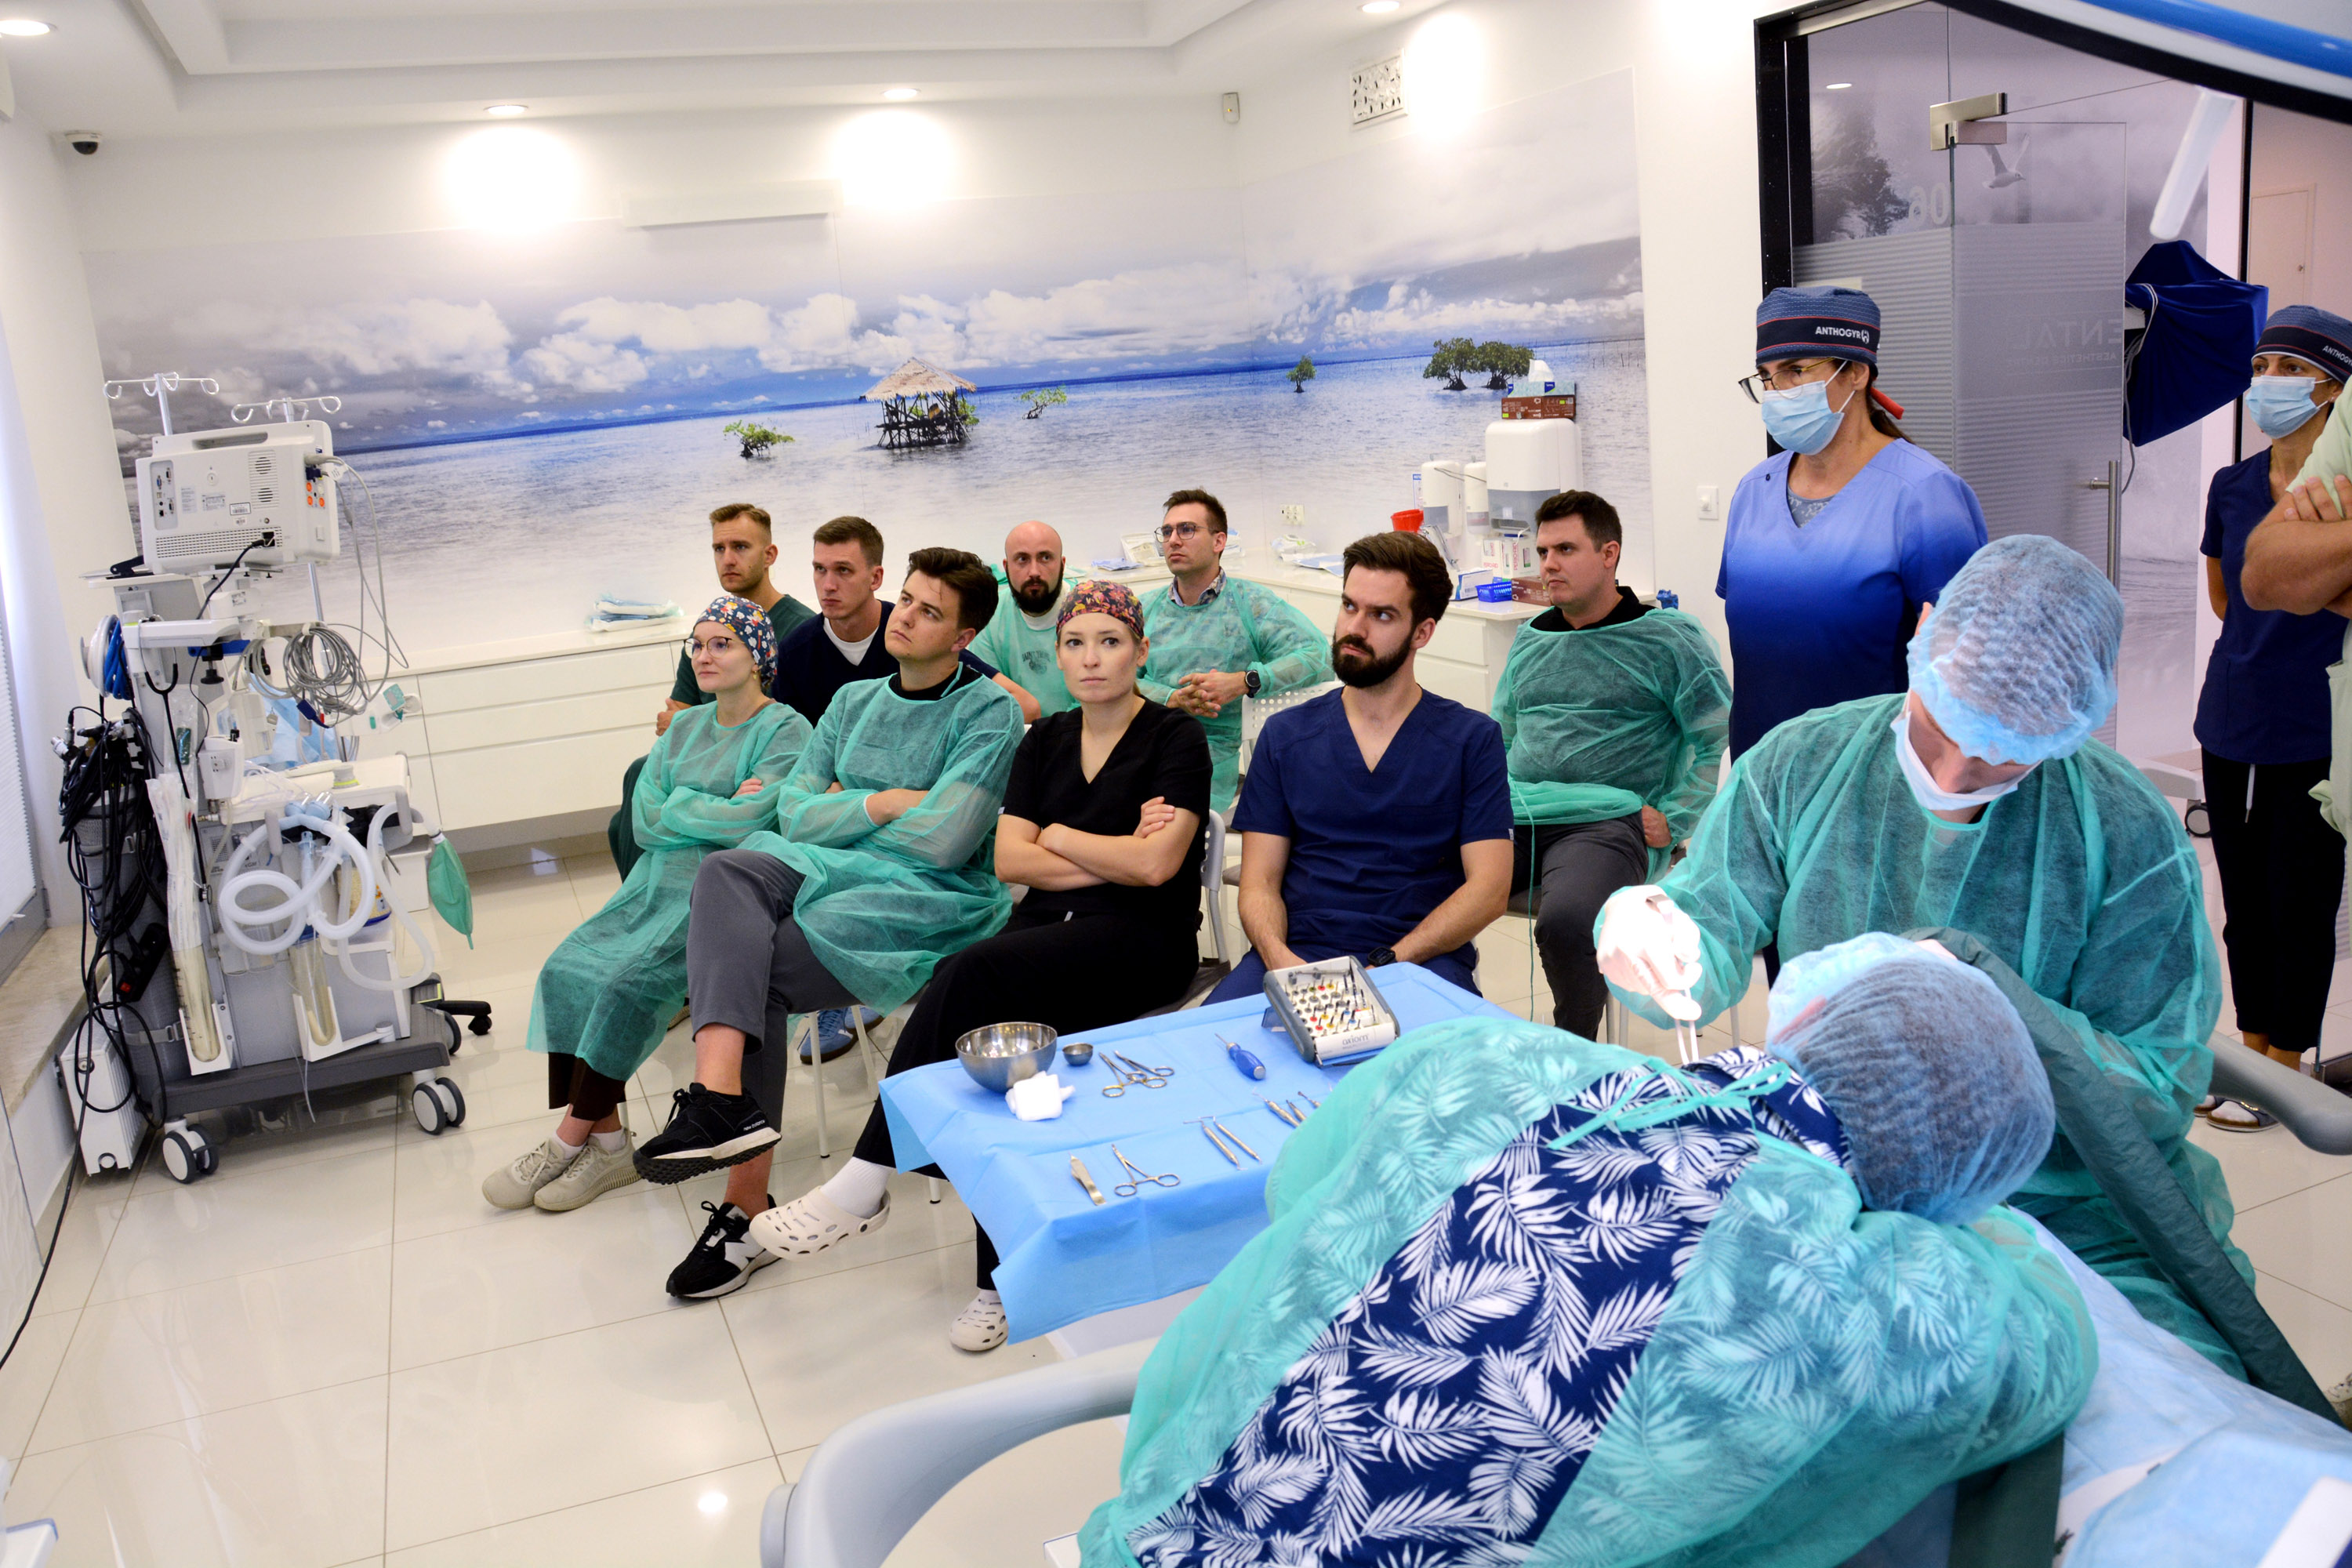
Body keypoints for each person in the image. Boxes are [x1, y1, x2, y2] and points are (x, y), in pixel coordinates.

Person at [1080, 933, 2092, 1566]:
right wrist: (1976, 1223)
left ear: (1814, 1015)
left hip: (1153, 1540)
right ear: (1939, 1196)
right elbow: (2048, 1346)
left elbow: (1300, 1194)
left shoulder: (1486, 1054)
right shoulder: (1866, 1304)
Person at [1596, 533, 2249, 1374]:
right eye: (1939, 728)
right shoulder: (1801, 764)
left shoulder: (2124, 830)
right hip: (1834, 1173)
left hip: (2067, 1211)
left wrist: (1998, 1022)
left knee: (2156, 1385)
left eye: (1998, 755)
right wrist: (1655, 926)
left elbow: (2158, 1084)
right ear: (1925, 630)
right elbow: (1708, 920)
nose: (1953, 773)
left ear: (2067, 730)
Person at [748, 580, 1212, 1352]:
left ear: (1141, 650)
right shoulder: (1045, 738)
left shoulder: (1175, 737)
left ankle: (865, 1181)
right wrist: (1109, 852)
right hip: (1045, 937)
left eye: (1110, 642)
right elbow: (1008, 859)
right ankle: (1000, 1283)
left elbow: (1158, 867)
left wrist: (1058, 836)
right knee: (1003, 1049)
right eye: (1075, 643)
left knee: (971, 974)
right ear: (1058, 653)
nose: (1091, 658)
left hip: (1144, 942)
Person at [630, 548, 1024, 1301]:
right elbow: (792, 812)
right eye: (907, 600)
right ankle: (719, 1097)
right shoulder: (852, 701)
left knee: (750, 972)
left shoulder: (987, 712)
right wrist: (890, 802)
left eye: (930, 612)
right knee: (727, 870)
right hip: (825, 871)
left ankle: (744, 1209)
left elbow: (945, 842)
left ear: (963, 637)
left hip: (924, 903)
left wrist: (846, 806)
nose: (905, 618)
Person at [488, 595, 811, 1214]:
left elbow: (753, 821)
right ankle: (609, 1142)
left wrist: (684, 805)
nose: (704, 656)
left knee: (625, 985)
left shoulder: (786, 731)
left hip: (720, 895)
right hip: (651, 884)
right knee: (567, 969)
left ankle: (568, 1139)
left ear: (758, 657)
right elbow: (646, 818)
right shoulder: (684, 728)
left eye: (722, 644)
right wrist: (714, 806)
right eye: (698, 644)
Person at [1207, 531, 1511, 1004]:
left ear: (1423, 632)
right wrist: (1281, 960)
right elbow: (1259, 882)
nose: (1355, 629)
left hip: (1420, 959)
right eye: (1349, 606)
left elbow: (1489, 890)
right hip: (1297, 954)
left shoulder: (1471, 741)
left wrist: (1392, 961)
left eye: (1381, 615)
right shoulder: (1286, 737)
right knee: (1207, 1044)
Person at [2192, 307, 2352, 1130]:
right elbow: (2228, 598)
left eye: (2290, 369)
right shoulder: (2233, 485)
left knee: (2302, 903)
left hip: (2317, 725)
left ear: (2333, 388)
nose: (2268, 383)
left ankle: (2289, 1064)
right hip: (2232, 716)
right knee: (2244, 903)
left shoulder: (2341, 497)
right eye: (2261, 366)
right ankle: (2251, 1052)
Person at [1494, 488, 1730, 1036]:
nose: (1549, 564)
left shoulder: (1666, 640)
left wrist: (1678, 817)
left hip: (1608, 823)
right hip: (1520, 811)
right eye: (1543, 552)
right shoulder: (1530, 639)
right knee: (1417, 881)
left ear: (1609, 554)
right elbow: (1499, 734)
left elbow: (1715, 734)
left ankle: (1575, 1054)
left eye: (1565, 550)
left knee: (1568, 920)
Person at [1718, 285, 1988, 757]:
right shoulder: (1754, 490)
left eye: (1796, 370)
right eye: (1766, 377)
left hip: (1870, 775)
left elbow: (1967, 665)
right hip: (1760, 769)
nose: (1776, 393)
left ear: (1857, 373)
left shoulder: (1924, 496)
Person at [608, 503, 815, 878]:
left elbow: (795, 733)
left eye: (740, 547)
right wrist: (712, 796)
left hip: (757, 770)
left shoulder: (801, 632)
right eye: (719, 549)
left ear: (769, 555)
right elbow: (675, 720)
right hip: (705, 767)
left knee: (649, 783)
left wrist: (689, 800)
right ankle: (644, 886)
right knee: (639, 780)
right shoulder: (710, 627)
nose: (728, 559)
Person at [1136, 488, 1332, 812]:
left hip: (1211, 754)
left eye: (1187, 529)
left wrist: (1245, 681)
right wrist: (1170, 698)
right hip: (1142, 743)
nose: (1173, 540)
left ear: (1219, 541)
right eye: (1167, 531)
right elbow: (1115, 680)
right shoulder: (1144, 609)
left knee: (1171, 821)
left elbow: (1318, 657)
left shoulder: (1251, 604)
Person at [768, 514, 1011, 727]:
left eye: (843, 570)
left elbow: (1016, 701)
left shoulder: (910, 636)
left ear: (876, 578)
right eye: (820, 569)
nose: (828, 585)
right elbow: (791, 745)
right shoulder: (793, 653)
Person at [969, 520, 1076, 722]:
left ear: (1062, 564)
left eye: (1045, 558)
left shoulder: (1088, 612)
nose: (1034, 571)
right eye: (1022, 559)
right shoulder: (989, 616)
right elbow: (991, 700)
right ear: (1006, 567)